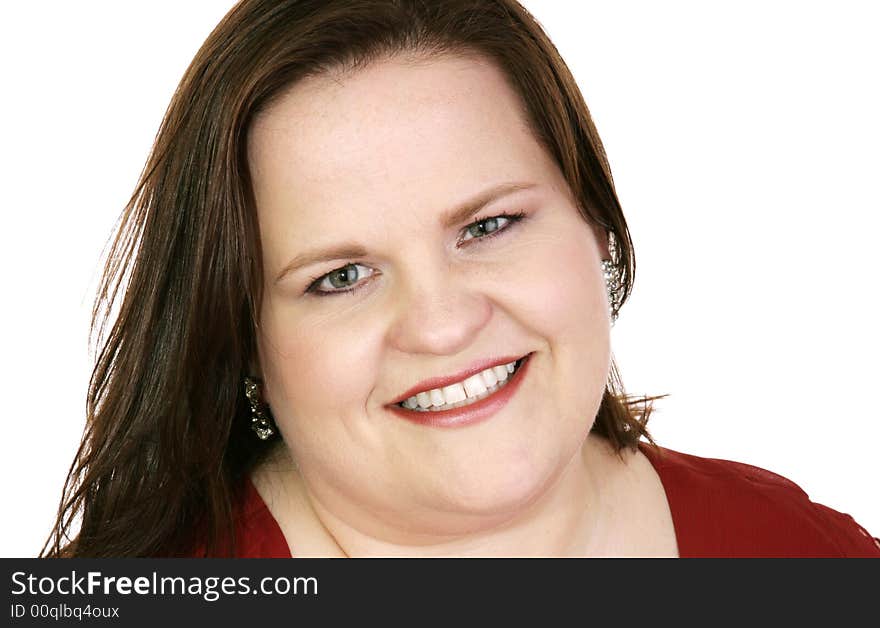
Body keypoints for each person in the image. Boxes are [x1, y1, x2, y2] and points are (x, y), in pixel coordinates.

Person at [41, 0, 879, 558]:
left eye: (488, 226)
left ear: (594, 222)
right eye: (341, 276)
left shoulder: (806, 554)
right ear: (245, 342)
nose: (440, 325)